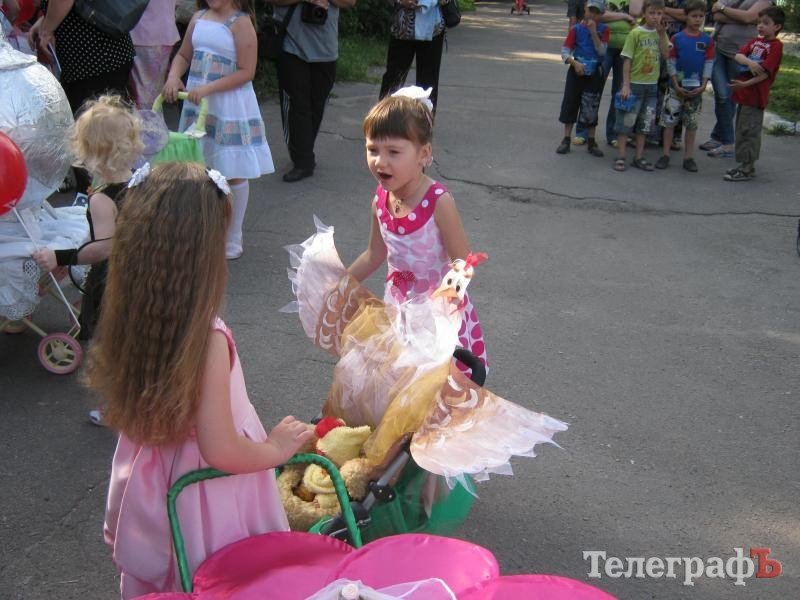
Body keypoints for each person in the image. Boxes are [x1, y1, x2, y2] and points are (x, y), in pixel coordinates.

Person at [86, 162, 314, 599]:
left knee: (169, 570)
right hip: (207, 493)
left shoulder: (132, 313)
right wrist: (274, 448)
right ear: (201, 258)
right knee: (216, 576)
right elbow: (221, 449)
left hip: (155, 477)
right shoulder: (205, 339)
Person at [348, 87, 487, 368]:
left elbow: (464, 263)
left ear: (424, 154)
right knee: (403, 383)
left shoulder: (438, 201)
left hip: (440, 316)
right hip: (399, 307)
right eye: (372, 149)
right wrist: (339, 283)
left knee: (438, 391)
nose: (380, 161)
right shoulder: (380, 199)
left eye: (393, 152)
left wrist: (439, 309)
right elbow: (374, 254)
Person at [164, 0, 274, 260]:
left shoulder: (240, 22)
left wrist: (208, 89)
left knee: (232, 169)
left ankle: (232, 237)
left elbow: (247, 71)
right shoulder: (199, 16)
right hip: (198, 103)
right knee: (199, 165)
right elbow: (183, 54)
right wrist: (173, 76)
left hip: (228, 104)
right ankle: (204, 230)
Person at [31, 95, 142, 342]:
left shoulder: (102, 200)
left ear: (89, 153)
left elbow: (103, 247)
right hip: (142, 266)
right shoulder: (140, 180)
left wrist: (59, 257)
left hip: (115, 275)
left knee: (106, 321)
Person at [266, 0, 357, 183]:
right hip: (290, 45)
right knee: (296, 104)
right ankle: (303, 161)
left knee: (317, 103)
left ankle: (304, 150)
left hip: (326, 49)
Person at [702, 0, 773, 159]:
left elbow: (749, 18)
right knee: (723, 96)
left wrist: (725, 11)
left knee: (727, 97)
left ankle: (726, 143)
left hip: (741, 54)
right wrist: (737, 16)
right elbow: (717, 14)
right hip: (718, 48)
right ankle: (720, 137)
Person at [723, 6, 783, 181]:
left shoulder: (776, 46)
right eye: (759, 23)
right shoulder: (756, 42)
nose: (761, 26)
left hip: (755, 97)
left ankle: (747, 168)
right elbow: (738, 55)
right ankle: (743, 165)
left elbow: (764, 74)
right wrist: (749, 63)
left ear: (777, 27)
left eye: (766, 23)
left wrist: (744, 84)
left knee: (749, 132)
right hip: (744, 95)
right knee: (741, 130)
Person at [654, 0, 714, 171]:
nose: (697, 19)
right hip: (675, 89)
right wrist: (674, 82)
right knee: (669, 122)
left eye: (701, 16)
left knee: (691, 124)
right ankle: (665, 154)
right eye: (694, 16)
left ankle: (688, 157)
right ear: (686, 17)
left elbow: (709, 63)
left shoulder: (707, 41)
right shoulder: (677, 38)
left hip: (696, 91)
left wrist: (703, 85)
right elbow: (671, 61)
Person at [612, 0, 670, 171]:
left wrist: (662, 34)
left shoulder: (660, 34)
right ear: (644, 13)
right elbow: (627, 60)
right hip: (635, 85)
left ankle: (639, 156)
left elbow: (667, 54)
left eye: (659, 14)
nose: (655, 17)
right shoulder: (636, 33)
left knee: (645, 123)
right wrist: (625, 85)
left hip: (652, 86)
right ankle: (621, 156)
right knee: (626, 121)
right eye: (652, 13)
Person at [556, 0, 610, 158]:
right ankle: (566, 138)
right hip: (576, 71)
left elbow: (602, 52)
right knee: (571, 103)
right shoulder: (576, 29)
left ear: (601, 14)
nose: (592, 14)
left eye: (596, 12)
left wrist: (594, 33)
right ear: (585, 10)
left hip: (594, 73)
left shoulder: (604, 30)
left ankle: (592, 141)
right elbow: (565, 51)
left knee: (591, 105)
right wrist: (574, 62)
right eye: (590, 10)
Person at [378, 0, 454, 112]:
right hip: (402, 29)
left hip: (433, 30)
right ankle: (382, 121)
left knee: (428, 84)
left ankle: (424, 124)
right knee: (393, 79)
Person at [128, 0, 180, 110]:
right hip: (159, 31)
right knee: (150, 98)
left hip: (143, 31)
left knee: (145, 99)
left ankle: (148, 125)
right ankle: (150, 124)